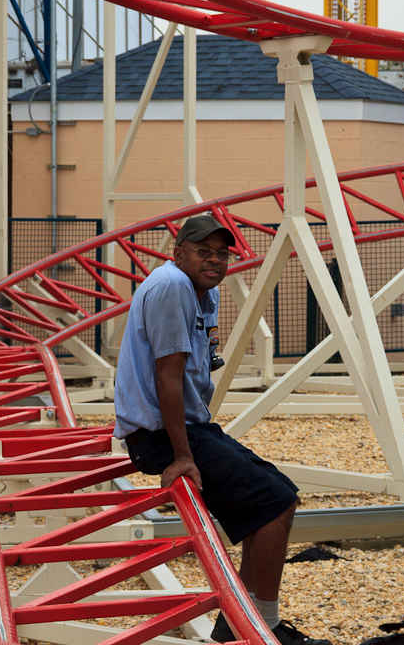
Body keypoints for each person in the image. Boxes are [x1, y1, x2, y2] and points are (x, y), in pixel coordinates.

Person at [114, 214, 333, 645]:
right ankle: (260, 626)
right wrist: (182, 456)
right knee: (276, 503)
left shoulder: (201, 292)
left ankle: (237, 622)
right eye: (203, 251)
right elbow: (168, 377)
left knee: (279, 495)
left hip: (192, 427)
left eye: (221, 253)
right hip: (161, 437)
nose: (214, 260)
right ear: (179, 254)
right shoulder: (173, 286)